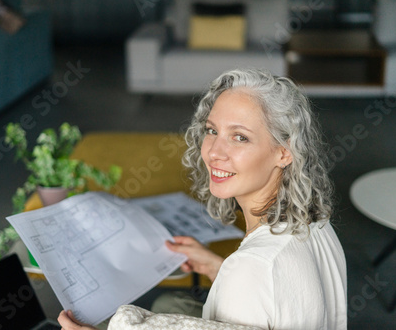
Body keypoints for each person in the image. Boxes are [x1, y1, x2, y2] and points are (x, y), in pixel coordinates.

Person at [58, 68, 347, 330]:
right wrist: (217, 268)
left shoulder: (252, 267)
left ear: (284, 152)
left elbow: (259, 275)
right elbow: (276, 291)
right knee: (168, 305)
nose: (214, 152)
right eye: (212, 131)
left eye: (240, 137)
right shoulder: (317, 223)